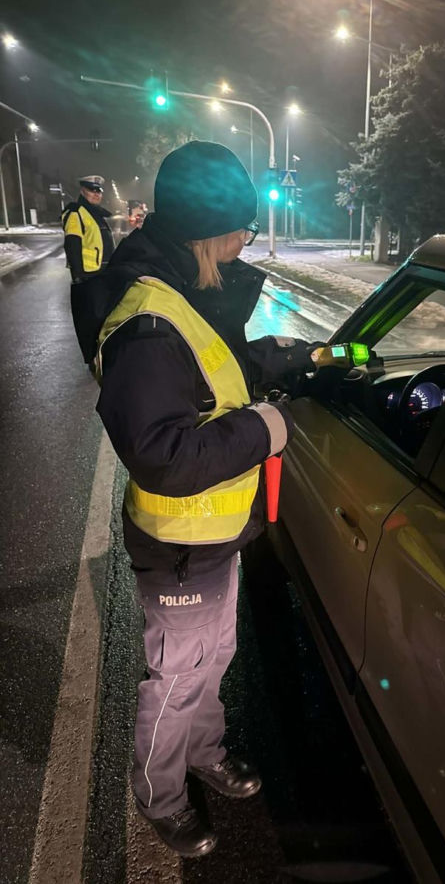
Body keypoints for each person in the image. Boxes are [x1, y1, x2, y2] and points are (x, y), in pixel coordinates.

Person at [87, 142, 321, 856]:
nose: (247, 242)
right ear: (210, 229)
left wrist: (270, 359)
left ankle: (204, 752)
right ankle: (158, 793)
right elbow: (161, 453)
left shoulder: (185, 289)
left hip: (214, 535)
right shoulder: (150, 320)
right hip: (179, 544)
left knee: (211, 661)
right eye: (242, 230)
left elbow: (208, 374)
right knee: (175, 677)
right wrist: (265, 426)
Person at [61, 175, 115, 282]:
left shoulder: (97, 214)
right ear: (82, 191)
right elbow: (72, 245)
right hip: (88, 275)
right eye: (92, 190)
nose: (96, 194)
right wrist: (78, 275)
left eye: (99, 191)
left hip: (103, 271)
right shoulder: (76, 212)